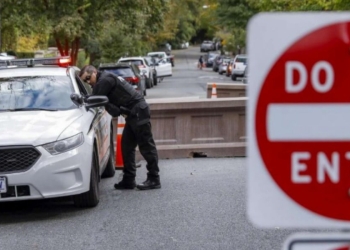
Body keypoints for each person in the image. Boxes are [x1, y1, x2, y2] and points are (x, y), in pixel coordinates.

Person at [79, 65, 161, 190]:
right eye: (85, 81)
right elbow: (112, 108)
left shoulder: (105, 80)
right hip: (133, 113)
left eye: (88, 78)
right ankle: (129, 179)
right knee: (126, 147)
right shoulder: (105, 79)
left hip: (138, 112)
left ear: (94, 72)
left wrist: (80, 99)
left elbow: (94, 99)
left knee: (146, 147)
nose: (88, 82)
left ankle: (154, 178)